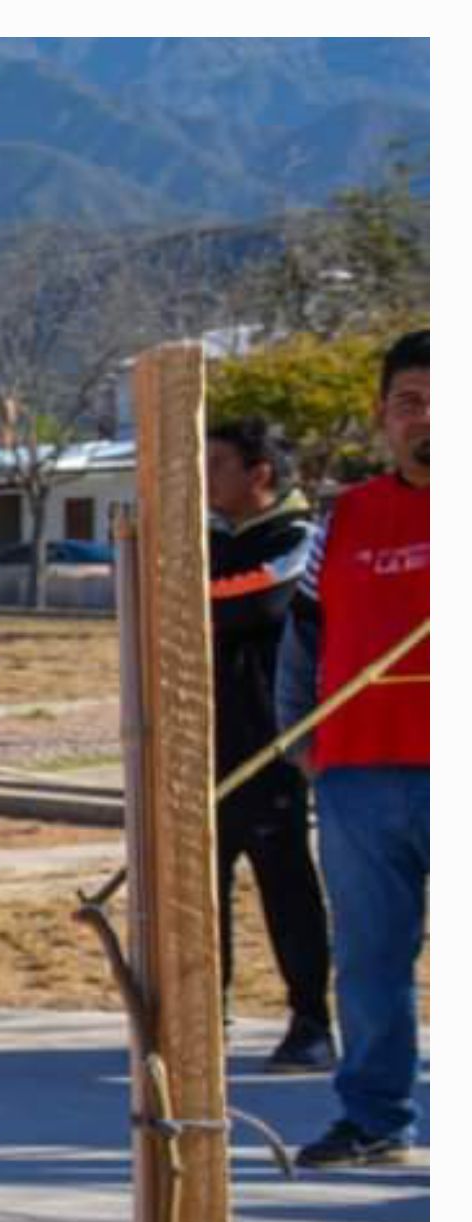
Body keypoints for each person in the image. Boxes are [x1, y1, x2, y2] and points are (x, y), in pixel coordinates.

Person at [276, 329, 430, 1168]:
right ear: (382, 417)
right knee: (370, 960)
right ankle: (374, 1118)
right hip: (359, 774)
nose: (427, 418)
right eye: (410, 401)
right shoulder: (347, 518)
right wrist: (299, 733)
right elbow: (303, 634)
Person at [203, 415, 333, 1073]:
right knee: (198, 888)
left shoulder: (295, 540)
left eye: (220, 463)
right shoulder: (207, 539)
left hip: (269, 745)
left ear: (260, 474)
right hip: (201, 743)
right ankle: (205, 1015)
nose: (206, 476)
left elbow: (249, 606)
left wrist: (182, 597)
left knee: (286, 883)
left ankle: (311, 1018)